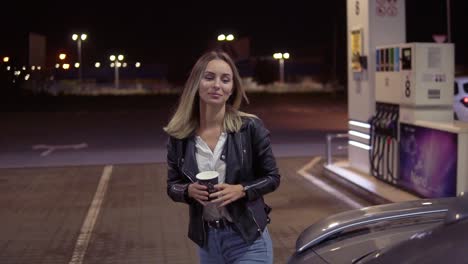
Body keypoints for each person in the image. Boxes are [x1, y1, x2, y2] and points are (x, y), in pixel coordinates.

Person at [164, 50, 280, 264]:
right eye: (209, 77)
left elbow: (272, 177)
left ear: (232, 88)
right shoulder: (179, 136)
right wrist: (188, 191)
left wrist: (242, 190)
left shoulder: (250, 127)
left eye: (225, 80)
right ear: (196, 83)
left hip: (248, 240)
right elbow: (172, 185)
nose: (217, 85)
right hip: (209, 243)